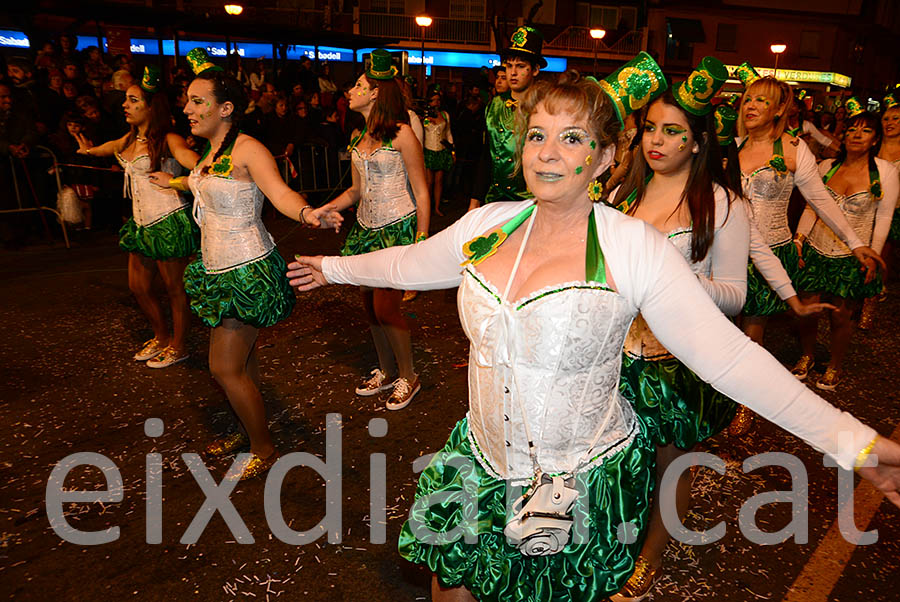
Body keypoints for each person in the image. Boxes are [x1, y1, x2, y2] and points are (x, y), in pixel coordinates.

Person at [287, 67, 900, 602]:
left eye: (571, 138)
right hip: (480, 457)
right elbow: (412, 263)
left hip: (575, 479)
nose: (547, 154)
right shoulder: (489, 225)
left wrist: (859, 445)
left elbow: (730, 358)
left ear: (605, 158)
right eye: (537, 135)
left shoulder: (632, 247)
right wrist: (332, 267)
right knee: (450, 585)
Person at [609, 58, 832, 602]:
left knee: (671, 463)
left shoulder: (724, 204)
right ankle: (615, 541)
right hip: (614, 354)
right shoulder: (623, 195)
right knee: (616, 459)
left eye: (673, 132)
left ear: (698, 141)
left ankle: (649, 560)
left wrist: (668, 278)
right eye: (650, 128)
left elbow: (733, 293)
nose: (656, 141)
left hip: (677, 361)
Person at [152, 49, 340, 480]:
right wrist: (177, 180)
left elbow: (279, 193)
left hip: (247, 269)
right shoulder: (209, 149)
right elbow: (206, 183)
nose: (188, 108)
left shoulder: (248, 148)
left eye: (198, 101)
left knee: (223, 367)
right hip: (218, 267)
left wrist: (309, 213)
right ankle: (247, 429)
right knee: (243, 362)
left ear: (226, 108)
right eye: (187, 100)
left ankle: (264, 447)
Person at [731, 67, 884, 433]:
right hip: (730, 252)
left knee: (753, 332)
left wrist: (856, 243)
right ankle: (727, 387)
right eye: (748, 98)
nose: (751, 105)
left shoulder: (794, 150)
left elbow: (821, 201)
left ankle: (746, 403)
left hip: (771, 250)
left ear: (779, 109)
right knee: (727, 327)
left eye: (761, 100)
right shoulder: (732, 147)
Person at [310, 49, 430, 411]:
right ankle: (387, 369)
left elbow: (421, 190)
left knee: (386, 307)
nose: (351, 91)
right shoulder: (359, 136)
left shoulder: (403, 133)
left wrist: (422, 240)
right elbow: (356, 191)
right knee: (368, 305)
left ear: (376, 92)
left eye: (359, 85)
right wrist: (321, 209)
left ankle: (410, 376)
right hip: (366, 229)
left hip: (398, 228)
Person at [75, 66, 200, 368]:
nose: (125, 105)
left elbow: (191, 160)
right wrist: (89, 152)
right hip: (142, 224)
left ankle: (179, 345)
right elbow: (110, 148)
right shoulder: (129, 138)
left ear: (150, 107)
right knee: (138, 288)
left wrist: (187, 174)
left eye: (133, 100)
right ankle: (160, 337)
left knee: (175, 290)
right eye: (126, 100)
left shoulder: (169, 138)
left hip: (168, 220)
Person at [792, 103, 898, 390]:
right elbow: (813, 207)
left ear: (875, 139)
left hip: (853, 253)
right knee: (807, 308)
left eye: (865, 131)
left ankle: (835, 365)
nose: (856, 135)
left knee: (841, 315)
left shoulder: (885, 172)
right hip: (815, 247)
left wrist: (873, 255)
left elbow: (885, 215)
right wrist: (799, 240)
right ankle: (807, 355)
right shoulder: (826, 166)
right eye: (852, 129)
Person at [469, 26, 546, 211]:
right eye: (509, 66)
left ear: (534, 70)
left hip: (531, 203)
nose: (512, 73)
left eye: (520, 67)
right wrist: (475, 199)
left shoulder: (544, 108)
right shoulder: (495, 105)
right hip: (495, 200)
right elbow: (487, 154)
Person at [423, 90, 454, 217]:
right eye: (433, 100)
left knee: (439, 181)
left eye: (438, 100)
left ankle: (436, 207)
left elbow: (448, 133)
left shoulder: (445, 115)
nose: (436, 102)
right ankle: (427, 206)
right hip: (429, 149)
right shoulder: (424, 115)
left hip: (441, 149)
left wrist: (452, 150)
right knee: (428, 181)